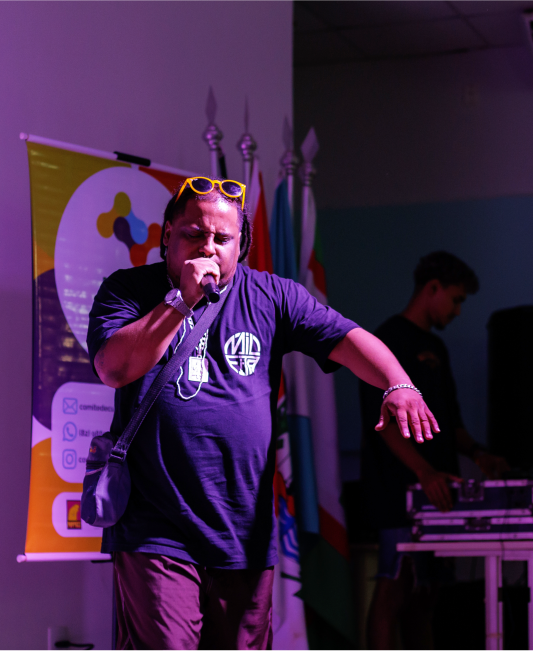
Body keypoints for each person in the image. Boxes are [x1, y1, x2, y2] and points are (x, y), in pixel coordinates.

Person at [87, 176, 440, 651]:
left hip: (242, 527)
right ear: (168, 233)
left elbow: (347, 338)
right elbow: (114, 368)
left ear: (242, 245)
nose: (207, 247)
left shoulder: (273, 296)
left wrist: (399, 383)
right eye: (194, 233)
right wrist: (181, 300)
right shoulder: (128, 290)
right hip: (155, 525)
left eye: (222, 238)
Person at [359, 251, 510, 651]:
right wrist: (423, 472)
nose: (458, 311)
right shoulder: (386, 340)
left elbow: (451, 423)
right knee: (393, 590)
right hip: (398, 493)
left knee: (427, 597)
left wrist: (479, 455)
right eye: (456, 300)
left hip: (440, 494)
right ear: (433, 288)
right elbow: (381, 424)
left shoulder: (437, 348)